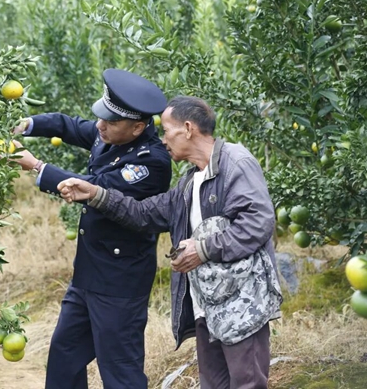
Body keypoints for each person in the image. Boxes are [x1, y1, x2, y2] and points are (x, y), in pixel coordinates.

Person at [57, 96, 283, 389]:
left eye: (166, 131)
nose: (163, 140)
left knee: (246, 383)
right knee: (214, 384)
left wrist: (203, 249)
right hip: (208, 305)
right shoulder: (190, 181)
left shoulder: (235, 162)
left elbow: (258, 221)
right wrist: (96, 194)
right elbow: (145, 213)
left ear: (188, 129)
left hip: (242, 305)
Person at [11, 68, 172, 388]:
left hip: (119, 284)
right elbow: (68, 125)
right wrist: (27, 124)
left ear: (137, 127)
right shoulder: (110, 133)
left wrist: (37, 166)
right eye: (101, 117)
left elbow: (96, 186)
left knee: (119, 372)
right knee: (64, 358)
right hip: (87, 274)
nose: (100, 126)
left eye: (110, 122)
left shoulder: (150, 162)